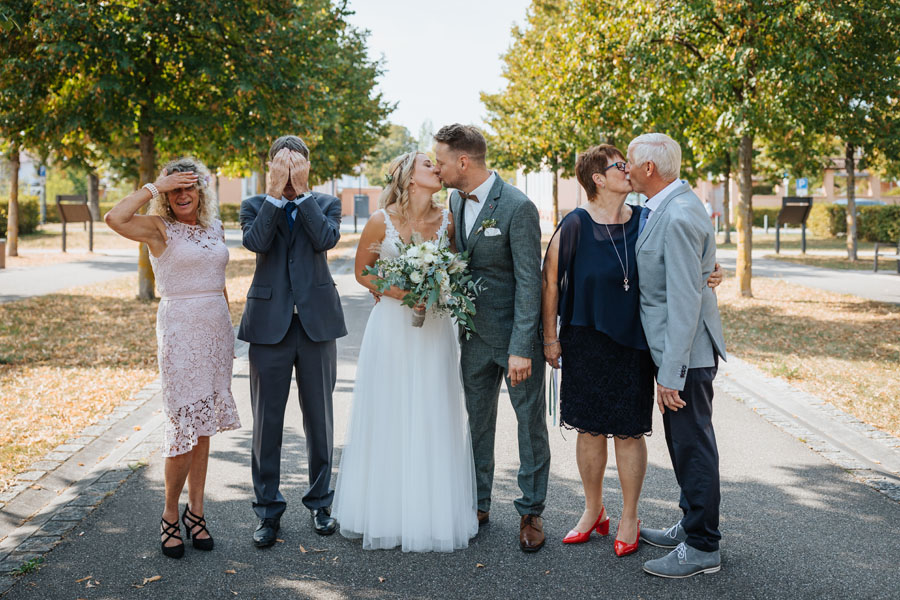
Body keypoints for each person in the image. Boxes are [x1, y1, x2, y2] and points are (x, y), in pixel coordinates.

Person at [542, 145, 722, 558]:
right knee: (588, 429)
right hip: (584, 339)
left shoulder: (648, 219)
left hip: (635, 342)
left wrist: (710, 270)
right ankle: (592, 512)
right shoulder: (574, 225)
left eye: (627, 163)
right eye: (617, 166)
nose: (627, 170)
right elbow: (550, 282)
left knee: (627, 430)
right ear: (598, 179)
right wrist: (549, 337)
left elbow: (679, 259)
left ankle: (629, 516)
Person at [332, 151, 478, 552]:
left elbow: (455, 267)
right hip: (392, 329)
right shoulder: (381, 220)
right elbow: (364, 272)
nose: (437, 168)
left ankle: (430, 511)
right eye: (428, 164)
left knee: (433, 409)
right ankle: (385, 510)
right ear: (410, 179)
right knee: (391, 410)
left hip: (434, 331)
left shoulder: (448, 218)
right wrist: (405, 292)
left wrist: (439, 290)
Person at [104, 157, 241, 559]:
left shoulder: (213, 227)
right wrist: (154, 187)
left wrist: (229, 330)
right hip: (180, 332)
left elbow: (218, 283)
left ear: (202, 191)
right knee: (183, 423)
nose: (183, 195)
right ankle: (168, 515)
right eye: (175, 189)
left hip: (216, 331)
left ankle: (196, 512)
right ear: (167, 194)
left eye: (190, 187)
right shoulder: (158, 228)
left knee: (204, 425)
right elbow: (114, 217)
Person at [434, 124, 551, 553]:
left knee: (528, 426)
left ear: (463, 161)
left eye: (442, 161)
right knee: (477, 423)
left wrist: (523, 347)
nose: (437, 168)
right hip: (473, 338)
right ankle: (479, 503)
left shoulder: (518, 207)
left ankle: (531, 511)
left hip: (515, 341)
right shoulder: (451, 199)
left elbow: (529, 282)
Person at [237, 136, 347, 547]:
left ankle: (321, 504)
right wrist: (273, 195)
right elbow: (255, 243)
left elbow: (325, 240)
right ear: (270, 167)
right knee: (267, 425)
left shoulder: (325, 204)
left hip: (316, 324)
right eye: (281, 165)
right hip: (269, 326)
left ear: (306, 168)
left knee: (320, 420)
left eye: (295, 165)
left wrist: (301, 195)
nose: (287, 172)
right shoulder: (253, 205)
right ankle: (267, 511)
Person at [626, 133, 727, 578]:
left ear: (649, 169)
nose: (625, 170)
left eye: (629, 163)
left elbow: (685, 300)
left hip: (685, 355)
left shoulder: (681, 213)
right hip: (674, 351)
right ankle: (691, 526)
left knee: (693, 447)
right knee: (683, 443)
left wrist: (672, 372)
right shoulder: (667, 206)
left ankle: (704, 546)